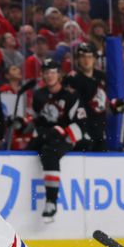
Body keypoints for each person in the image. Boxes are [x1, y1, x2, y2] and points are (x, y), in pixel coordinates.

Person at [18, 58, 85, 221]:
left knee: (49, 154)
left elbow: (82, 125)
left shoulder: (70, 96)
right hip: (44, 136)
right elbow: (35, 119)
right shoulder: (38, 95)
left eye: (53, 72)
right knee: (24, 154)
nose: (49, 76)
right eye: (46, 72)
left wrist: (62, 133)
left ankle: (51, 201)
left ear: (59, 75)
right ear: (42, 74)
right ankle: (20, 199)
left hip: (65, 138)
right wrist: (22, 123)